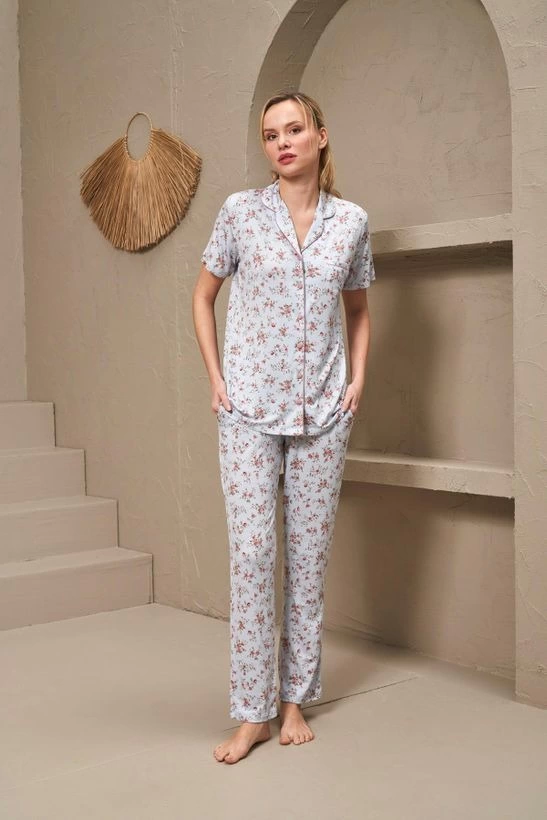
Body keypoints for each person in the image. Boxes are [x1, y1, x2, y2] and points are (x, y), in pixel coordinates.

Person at [192, 90, 376, 764]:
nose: (282, 143)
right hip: (246, 408)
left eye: (294, 130)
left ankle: (294, 701)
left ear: (320, 135)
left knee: (308, 558)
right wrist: (216, 379)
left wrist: (357, 381)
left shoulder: (351, 222)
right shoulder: (239, 213)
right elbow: (202, 297)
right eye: (271, 135)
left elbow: (358, 309)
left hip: (323, 413)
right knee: (251, 555)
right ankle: (253, 713)